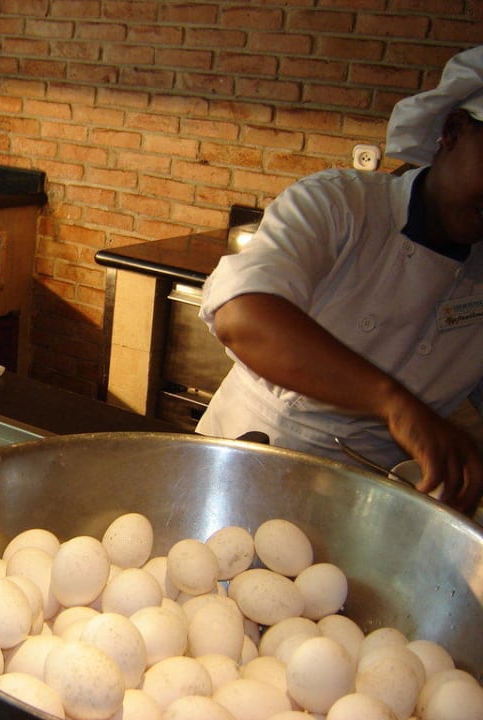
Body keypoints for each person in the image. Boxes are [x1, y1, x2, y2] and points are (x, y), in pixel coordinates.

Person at [195, 46, 483, 516]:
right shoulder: (341, 204)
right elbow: (242, 316)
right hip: (250, 458)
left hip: (375, 505)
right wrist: (395, 404)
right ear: (452, 131)